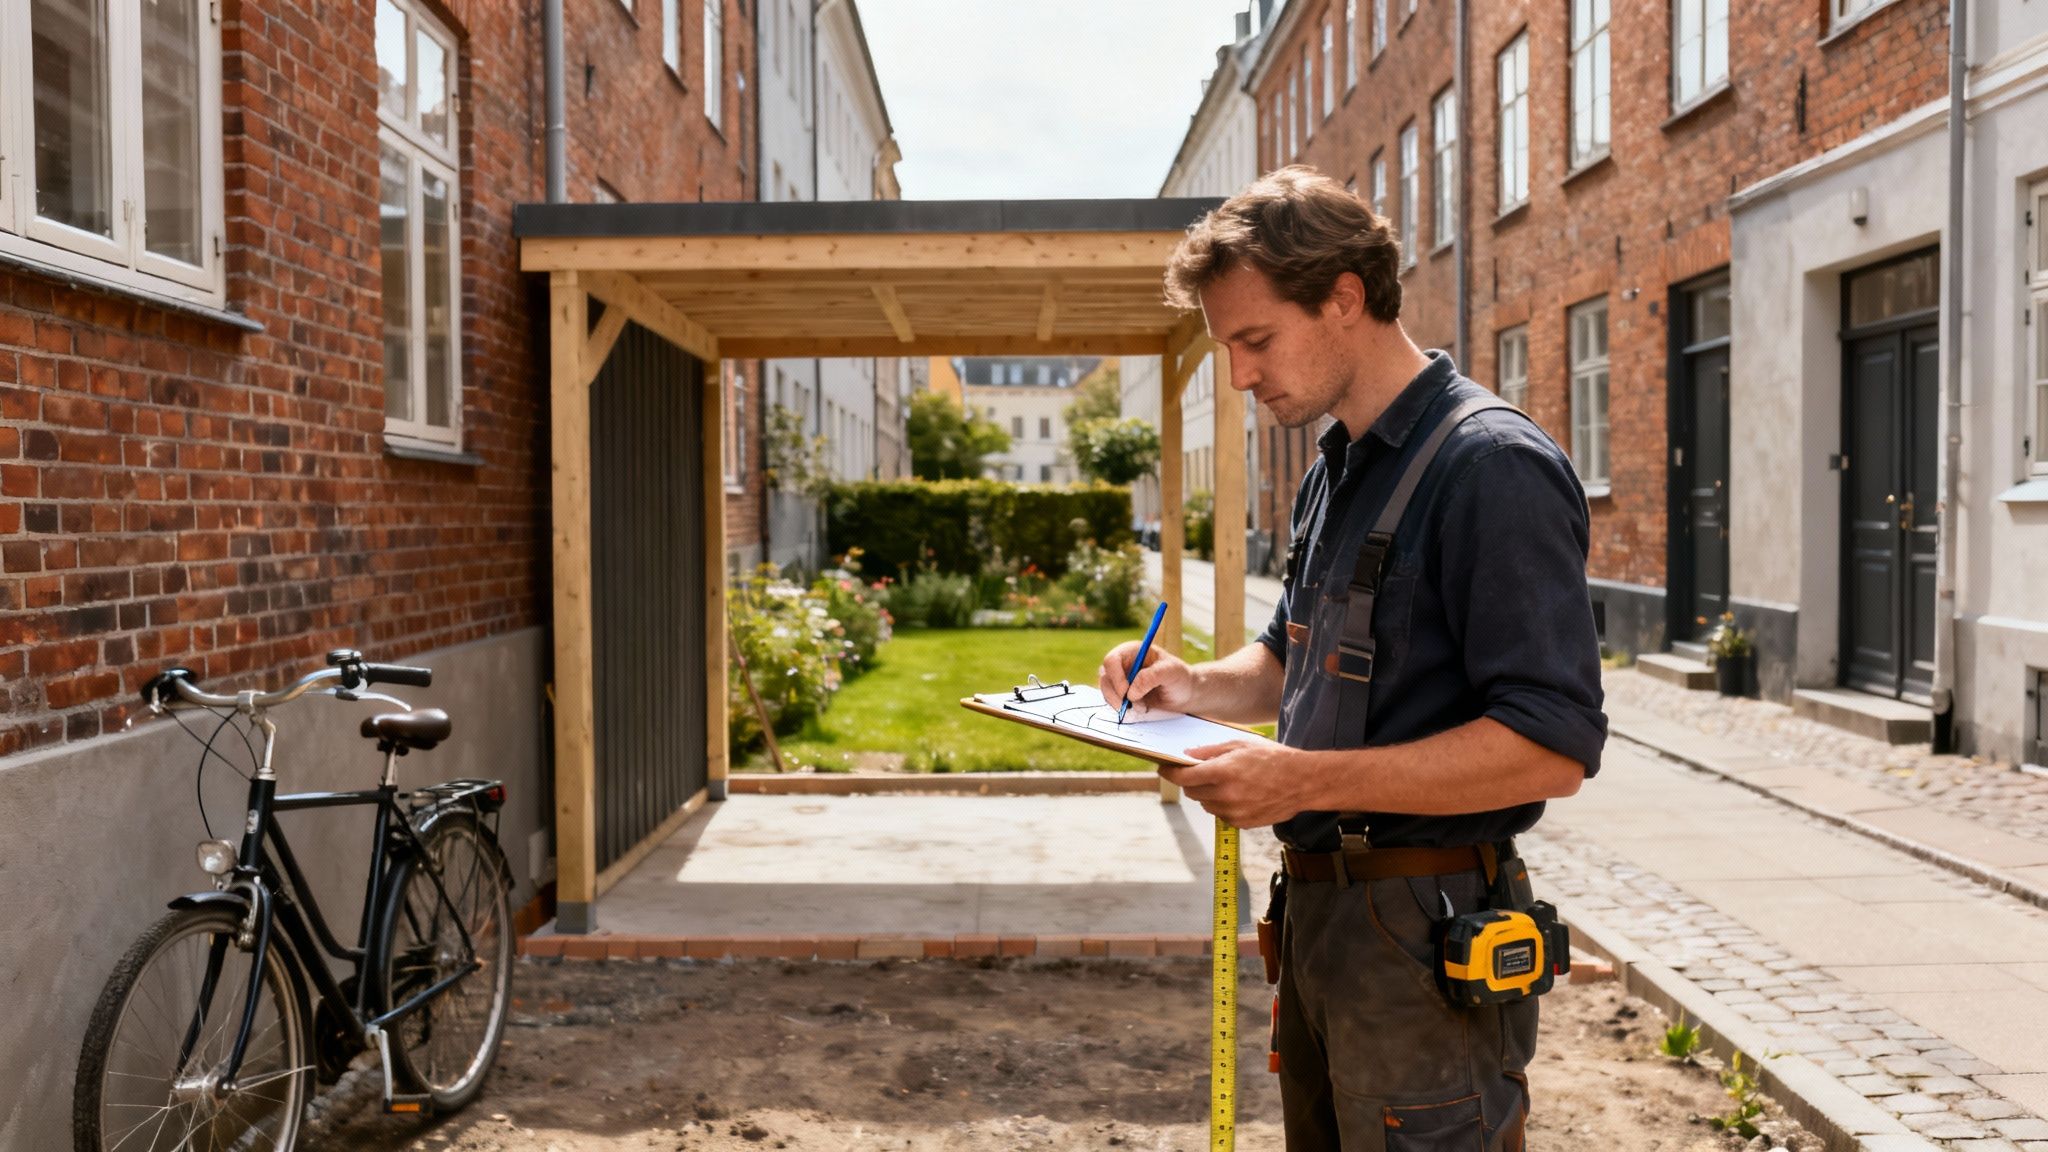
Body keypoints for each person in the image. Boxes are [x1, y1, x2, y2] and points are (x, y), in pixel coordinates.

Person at [1099, 166, 1606, 1152]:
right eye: (1225, 348)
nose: (1240, 376)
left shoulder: (1488, 466)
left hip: (1425, 930)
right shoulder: (1337, 470)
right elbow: (1294, 658)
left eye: (1254, 340)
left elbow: (1552, 745)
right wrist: (1191, 687)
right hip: (1326, 926)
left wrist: (1299, 779)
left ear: (1343, 297)